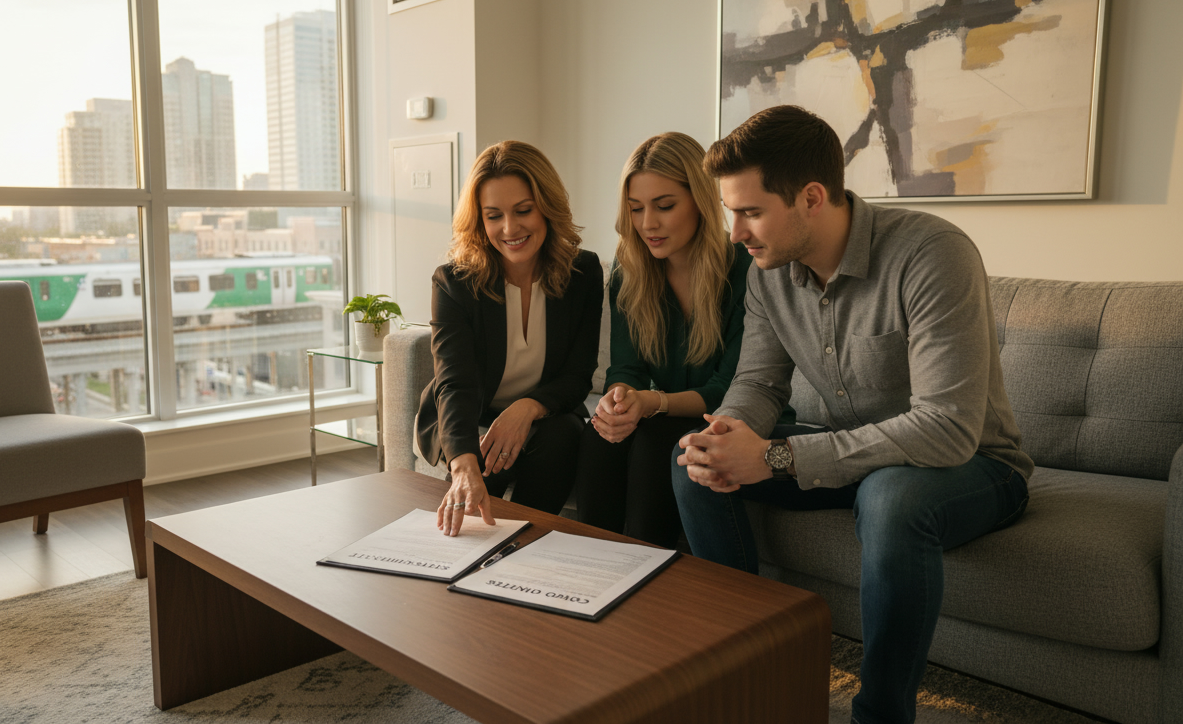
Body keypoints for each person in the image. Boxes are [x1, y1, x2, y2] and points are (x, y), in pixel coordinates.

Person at [672, 105, 1033, 724]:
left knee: (892, 498)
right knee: (691, 464)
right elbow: (759, 381)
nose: (735, 233)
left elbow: (946, 428)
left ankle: (880, 714)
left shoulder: (930, 254)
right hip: (857, 456)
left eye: (750, 211)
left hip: (974, 465)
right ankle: (747, 674)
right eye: (732, 212)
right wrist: (725, 433)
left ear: (811, 197)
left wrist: (777, 456)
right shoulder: (769, 275)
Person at [573, 132, 792, 547]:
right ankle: (592, 567)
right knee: (599, 436)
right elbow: (627, 369)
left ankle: (646, 574)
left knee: (658, 440)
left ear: (701, 202)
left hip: (738, 418)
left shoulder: (749, 271)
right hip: (664, 416)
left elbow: (728, 387)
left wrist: (652, 402)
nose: (647, 224)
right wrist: (617, 401)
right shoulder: (630, 272)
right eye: (636, 209)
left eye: (665, 206)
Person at [416, 140, 603, 537]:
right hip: (473, 418)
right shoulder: (454, 283)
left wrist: (527, 408)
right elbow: (455, 382)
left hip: (543, 418)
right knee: (474, 495)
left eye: (523, 211)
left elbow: (577, 375)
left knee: (566, 435)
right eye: (493, 215)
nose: (509, 229)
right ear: (479, 220)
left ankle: (524, 541)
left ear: (547, 207)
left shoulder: (583, 273)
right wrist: (464, 464)